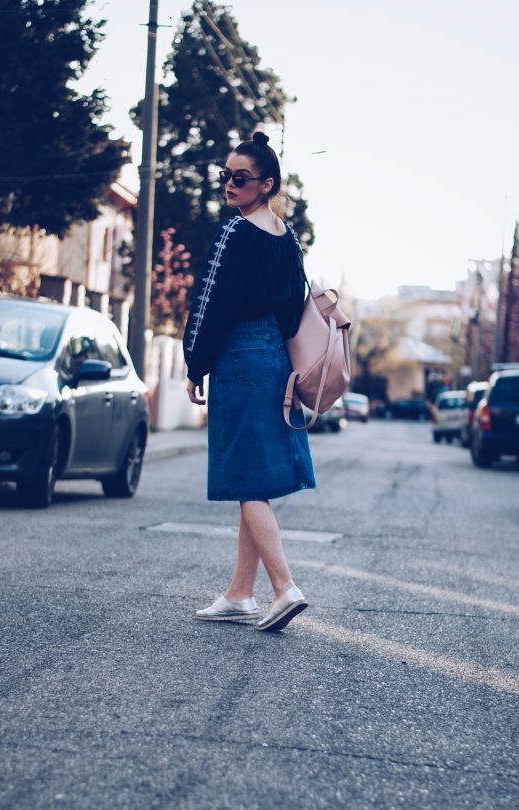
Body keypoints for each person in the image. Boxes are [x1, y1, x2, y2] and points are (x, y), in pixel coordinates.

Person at [184, 131, 315, 633]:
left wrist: (196, 362)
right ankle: (241, 593)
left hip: (239, 357)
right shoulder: (289, 239)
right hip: (274, 359)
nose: (229, 185)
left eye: (239, 178)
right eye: (225, 176)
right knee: (255, 477)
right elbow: (291, 311)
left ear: (267, 184)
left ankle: (284, 588)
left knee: (244, 477)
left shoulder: (235, 234)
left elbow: (210, 303)